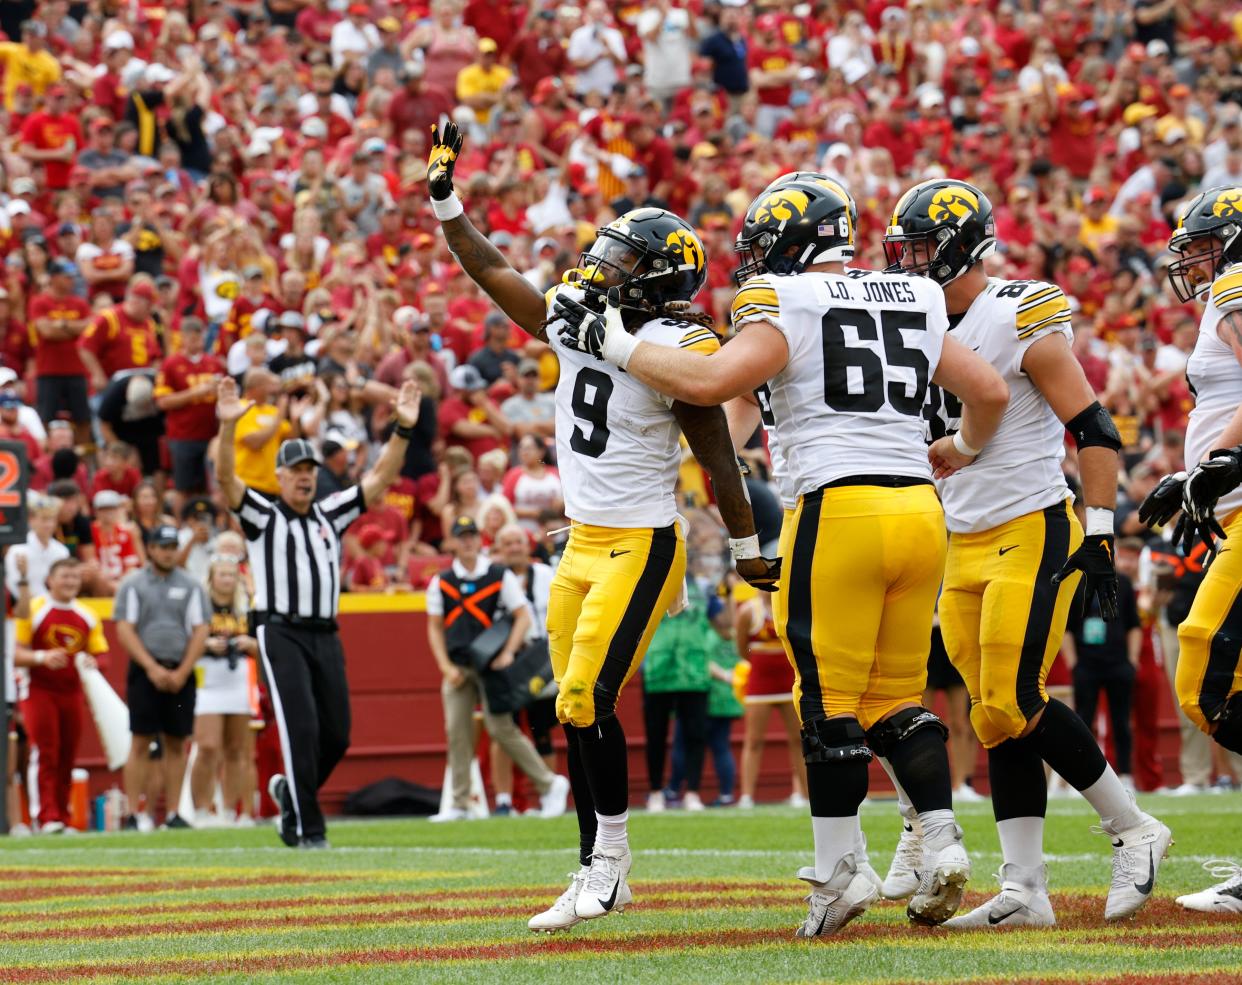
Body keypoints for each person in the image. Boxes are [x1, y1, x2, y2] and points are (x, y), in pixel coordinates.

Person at [554, 175, 1009, 933]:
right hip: (920, 511)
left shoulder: (785, 300)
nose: (755, 260)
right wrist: (959, 448)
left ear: (797, 242)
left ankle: (838, 877)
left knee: (824, 701)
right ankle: (942, 836)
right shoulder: (913, 294)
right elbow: (987, 391)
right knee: (896, 695)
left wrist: (618, 343)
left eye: (763, 246)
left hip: (838, 509)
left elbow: (711, 380)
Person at [429, 121, 773, 933]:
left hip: (644, 543)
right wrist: (446, 203)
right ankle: (591, 867)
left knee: (586, 694)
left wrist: (750, 549)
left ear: (655, 280)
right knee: (569, 706)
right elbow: (494, 269)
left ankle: (610, 865)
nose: (600, 266)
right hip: (583, 541)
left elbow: (719, 457)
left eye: (622, 260)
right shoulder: (582, 315)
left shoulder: (675, 344)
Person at [882, 179, 1171, 928]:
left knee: (1013, 697)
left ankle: (1133, 826)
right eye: (903, 246)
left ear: (959, 244)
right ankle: (1025, 887)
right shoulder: (911, 318)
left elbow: (1098, 428)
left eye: (918, 245)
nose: (907, 259)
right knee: (990, 716)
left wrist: (1102, 531)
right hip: (961, 536)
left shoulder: (1016, 311)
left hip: (1032, 524)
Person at [214, 374, 423, 848]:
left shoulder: (330, 513)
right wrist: (228, 429)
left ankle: (291, 791)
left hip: (326, 633)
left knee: (338, 734)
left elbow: (380, 479)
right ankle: (309, 830)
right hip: (280, 630)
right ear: (281, 477)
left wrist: (403, 430)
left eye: (310, 468)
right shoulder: (264, 515)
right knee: (300, 728)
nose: (306, 475)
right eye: (296, 470)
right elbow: (227, 480)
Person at [1137, 184, 1242, 913]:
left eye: (1202, 245)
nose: (1194, 262)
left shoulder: (1237, 285)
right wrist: (1191, 474)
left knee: (1200, 670)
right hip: (1235, 512)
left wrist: (1213, 464)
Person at [426, 515, 569, 821]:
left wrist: (507, 652)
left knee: (501, 728)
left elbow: (522, 616)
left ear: (480, 540)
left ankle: (549, 783)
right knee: (457, 732)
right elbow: (434, 627)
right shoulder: (441, 581)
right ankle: (460, 802)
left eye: (471, 535)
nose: (467, 542)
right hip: (458, 666)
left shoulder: (497, 574)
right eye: (461, 536)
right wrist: (444, 665)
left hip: (490, 666)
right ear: (451, 542)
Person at [116, 523, 209, 831]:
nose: (168, 553)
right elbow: (125, 629)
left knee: (176, 741)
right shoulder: (134, 583)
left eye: (172, 548)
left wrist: (183, 670)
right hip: (146, 669)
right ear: (152, 549)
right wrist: (151, 667)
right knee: (140, 739)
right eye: (163, 547)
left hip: (180, 667)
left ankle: (173, 812)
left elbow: (200, 629)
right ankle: (133, 812)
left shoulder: (192, 584)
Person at [13, 558, 107, 833]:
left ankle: (63, 816)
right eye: (64, 576)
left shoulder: (88, 614)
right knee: (45, 751)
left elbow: (103, 655)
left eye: (75, 577)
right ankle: (45, 815)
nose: (70, 582)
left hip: (72, 691)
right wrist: (42, 657)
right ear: (50, 580)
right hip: (39, 690)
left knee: (68, 754)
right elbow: (16, 653)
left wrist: (93, 662)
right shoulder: (34, 609)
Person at [490, 523, 560, 813]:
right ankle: (504, 800)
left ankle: (547, 796)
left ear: (528, 545)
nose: (514, 548)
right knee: (505, 731)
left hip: (541, 657)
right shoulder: (492, 579)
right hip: (506, 657)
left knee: (542, 730)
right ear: (499, 549)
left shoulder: (545, 574)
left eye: (518, 542)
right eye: (507, 543)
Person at [1065, 543, 1143, 788]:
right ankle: (1083, 778)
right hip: (1086, 664)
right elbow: (1066, 629)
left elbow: (1134, 625)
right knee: (1082, 723)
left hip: (1118, 662)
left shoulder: (1124, 583)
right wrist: (1074, 664)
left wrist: (1132, 660)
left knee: (1122, 722)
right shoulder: (1077, 584)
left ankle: (1126, 776)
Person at [190, 554, 259, 827]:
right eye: (222, 574)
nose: (227, 580)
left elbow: (262, 641)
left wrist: (249, 644)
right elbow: (187, 640)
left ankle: (233, 810)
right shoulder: (200, 608)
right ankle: (201, 810)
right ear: (211, 578)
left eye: (232, 575)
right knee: (207, 746)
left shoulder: (247, 609)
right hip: (207, 679)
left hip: (240, 679)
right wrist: (206, 645)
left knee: (238, 750)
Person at [642, 573, 712, 813]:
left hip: (694, 669)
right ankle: (655, 792)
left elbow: (721, 622)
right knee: (655, 735)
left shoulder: (704, 586)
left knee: (696, 734)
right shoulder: (648, 581)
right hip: (659, 669)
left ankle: (692, 792)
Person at [733, 582, 806, 810]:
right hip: (760, 682)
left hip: (789, 680)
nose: (768, 587)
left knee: (798, 739)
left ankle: (803, 794)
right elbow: (742, 648)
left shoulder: (787, 608)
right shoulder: (747, 611)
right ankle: (746, 796)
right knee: (753, 740)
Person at [154, 317, 224, 510]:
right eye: (191, 337)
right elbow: (162, 402)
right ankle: (181, 526)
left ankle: (210, 523)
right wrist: (195, 393)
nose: (196, 341)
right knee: (183, 487)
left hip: (211, 435)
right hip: (183, 435)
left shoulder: (214, 364)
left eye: (198, 336)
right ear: (182, 338)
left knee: (211, 487)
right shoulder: (171, 364)